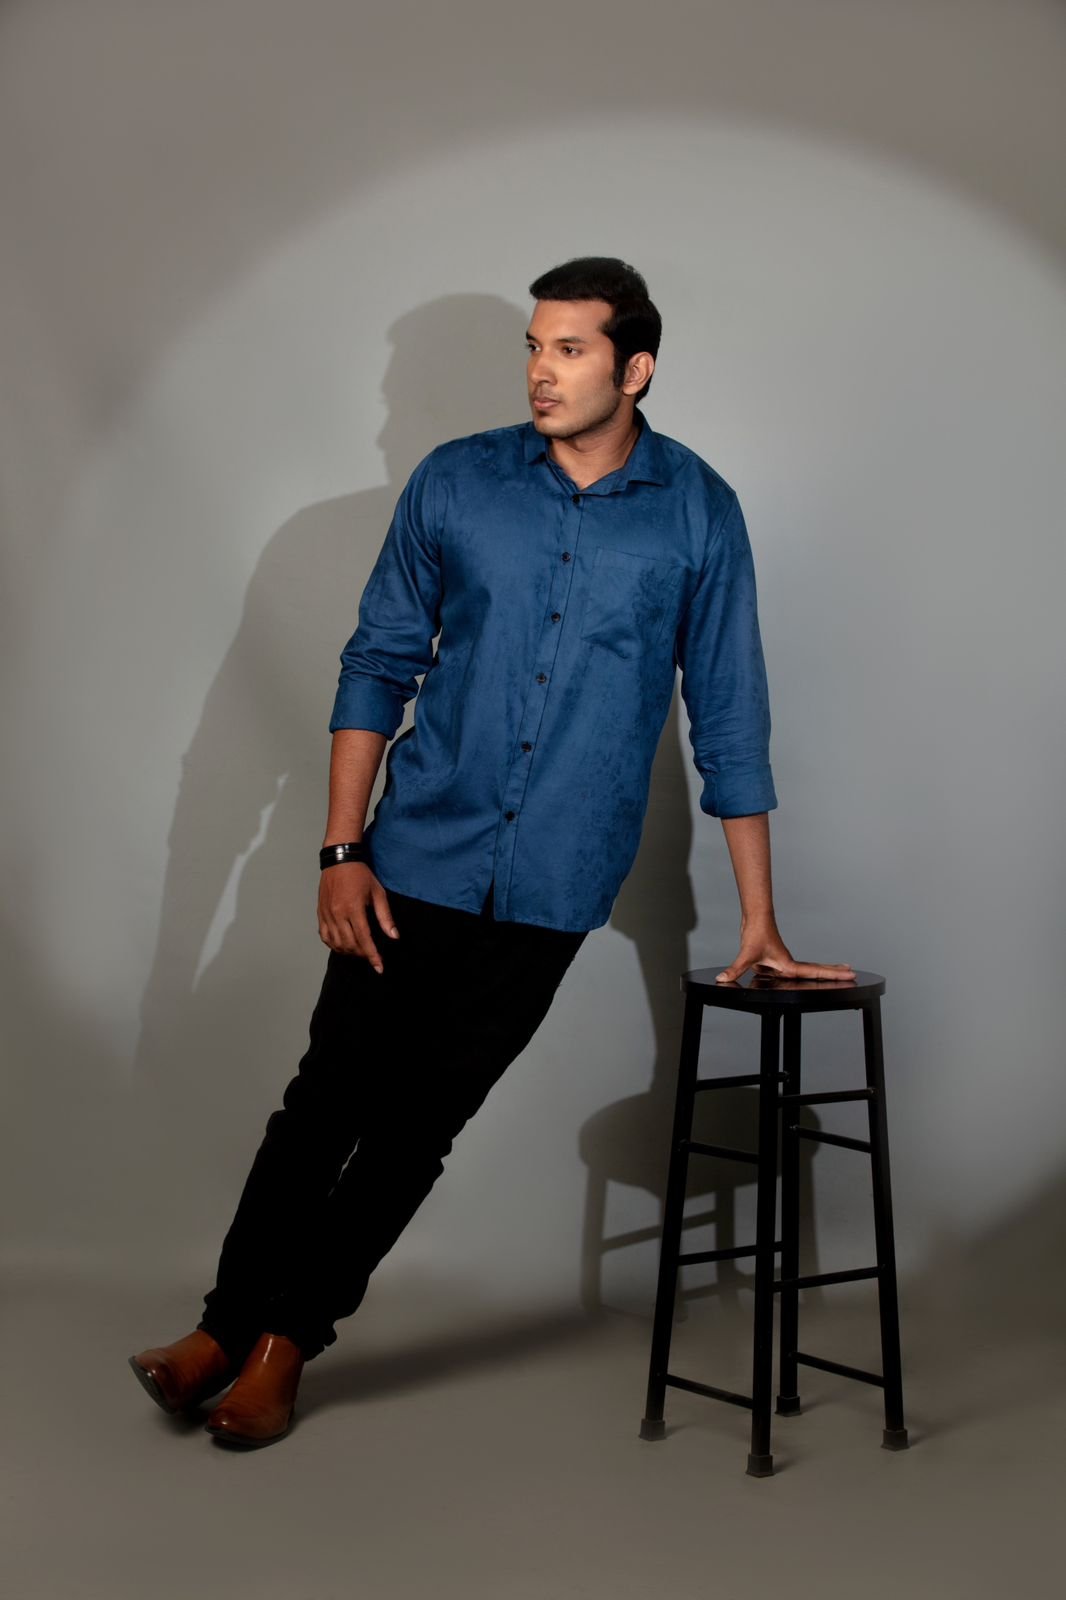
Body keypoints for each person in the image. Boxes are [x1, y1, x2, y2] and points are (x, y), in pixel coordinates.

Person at [129, 256, 854, 1448]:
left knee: (416, 1125)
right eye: (533, 346)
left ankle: (285, 1344)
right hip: (412, 854)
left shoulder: (697, 511)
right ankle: (219, 1327)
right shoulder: (456, 483)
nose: (540, 372)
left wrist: (756, 918)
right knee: (324, 1102)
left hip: (555, 883)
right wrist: (340, 848)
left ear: (635, 368)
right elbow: (376, 663)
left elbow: (729, 717)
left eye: (569, 350)